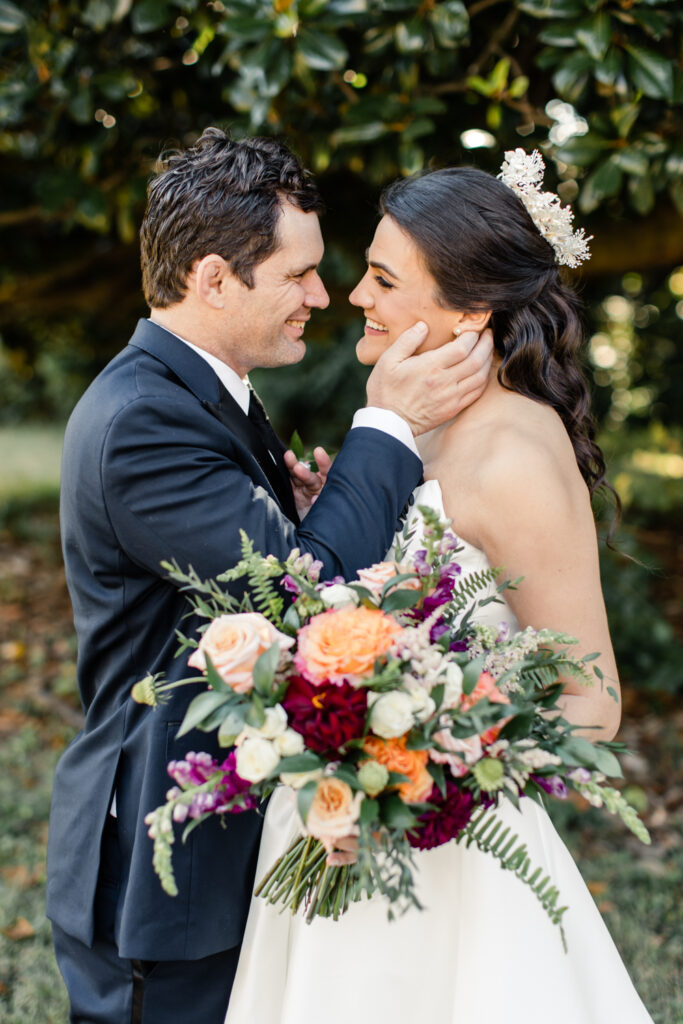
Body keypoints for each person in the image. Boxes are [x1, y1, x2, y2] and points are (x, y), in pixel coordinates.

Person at [46, 129, 494, 1024]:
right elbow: (301, 595)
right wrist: (386, 429)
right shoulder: (145, 422)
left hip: (220, 827)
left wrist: (301, 510)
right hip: (159, 856)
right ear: (213, 278)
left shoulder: (197, 394)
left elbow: (256, 563)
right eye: (296, 275)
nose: (321, 297)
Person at [224, 155, 655, 1023]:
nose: (353, 297)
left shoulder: (515, 456)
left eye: (382, 279)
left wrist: (428, 770)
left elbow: (593, 702)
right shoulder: (417, 434)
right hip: (338, 827)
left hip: (450, 853)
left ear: (467, 310)